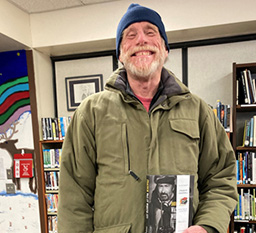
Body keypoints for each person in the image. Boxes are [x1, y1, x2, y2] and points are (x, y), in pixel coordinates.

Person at [57, 3, 238, 233]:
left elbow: (221, 178)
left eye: (150, 32)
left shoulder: (198, 111)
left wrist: (207, 226)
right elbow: (74, 196)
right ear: (120, 54)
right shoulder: (91, 113)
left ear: (165, 49)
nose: (141, 40)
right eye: (130, 35)